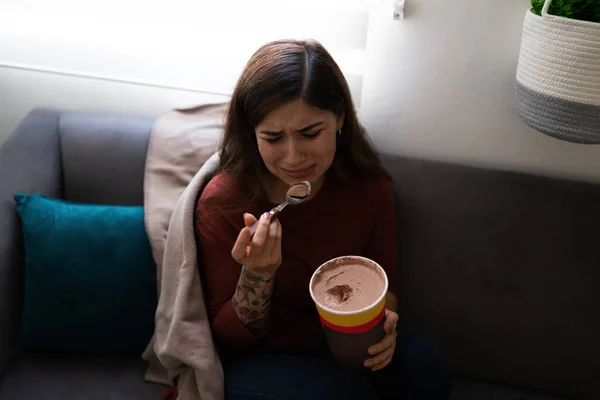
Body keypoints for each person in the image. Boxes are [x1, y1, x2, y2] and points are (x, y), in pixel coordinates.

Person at [194, 39, 452, 400]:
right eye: (273, 137)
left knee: (426, 364)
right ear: (252, 133)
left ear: (340, 119)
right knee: (343, 392)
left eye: (310, 133)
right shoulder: (225, 202)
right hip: (263, 360)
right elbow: (228, 338)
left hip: (343, 344)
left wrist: (385, 325)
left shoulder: (368, 189)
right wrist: (257, 275)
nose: (293, 156)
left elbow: (386, 288)